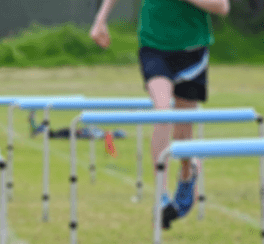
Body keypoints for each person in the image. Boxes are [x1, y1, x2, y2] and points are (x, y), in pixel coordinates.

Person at [89, 0, 228, 229]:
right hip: (153, 45)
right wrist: (100, 19)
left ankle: (187, 172)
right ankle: (161, 196)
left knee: (183, 133)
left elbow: (222, 7)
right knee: (162, 111)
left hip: (192, 49)